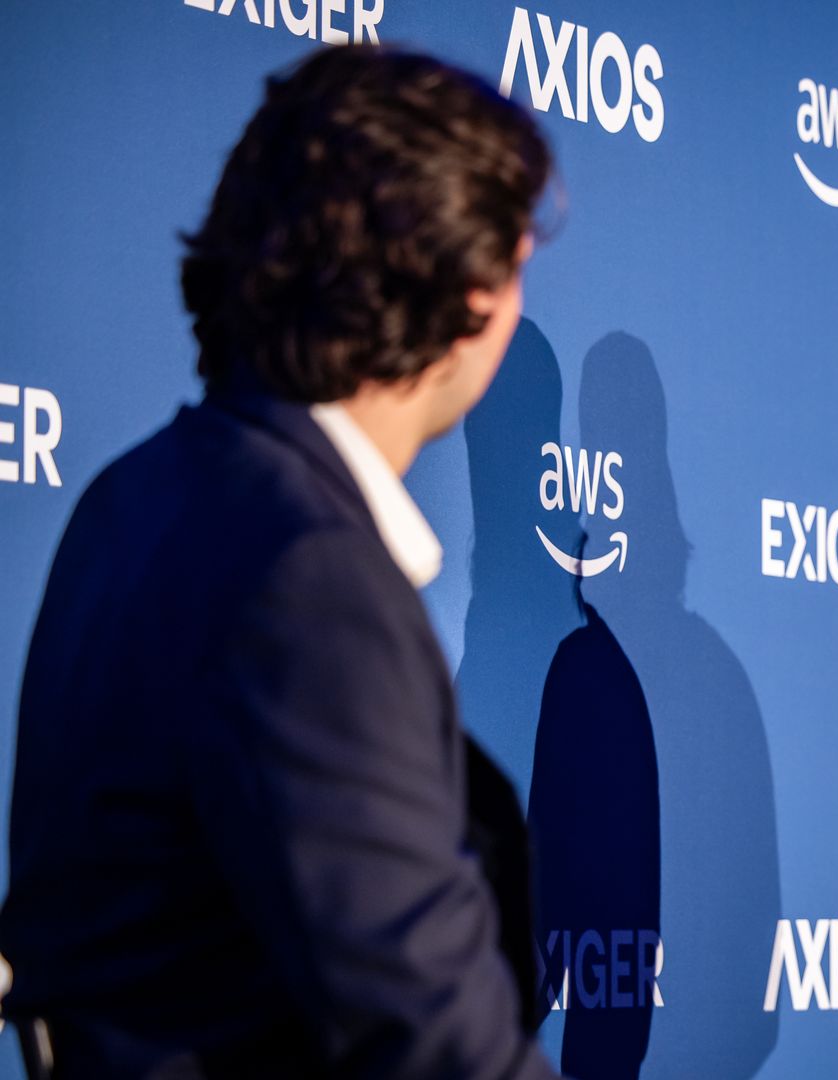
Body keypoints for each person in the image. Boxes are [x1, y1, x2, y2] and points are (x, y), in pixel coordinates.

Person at [0, 46, 558, 1078]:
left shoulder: (134, 496)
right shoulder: (312, 575)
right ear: (464, 293)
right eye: (517, 260)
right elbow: (436, 1042)